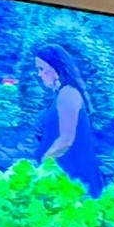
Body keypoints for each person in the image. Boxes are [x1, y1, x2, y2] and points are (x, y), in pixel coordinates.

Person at [32, 42, 104, 194]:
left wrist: (43, 166)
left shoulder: (68, 93)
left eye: (42, 69)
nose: (39, 74)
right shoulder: (62, 94)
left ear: (56, 67)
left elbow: (66, 140)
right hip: (64, 175)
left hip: (72, 176)